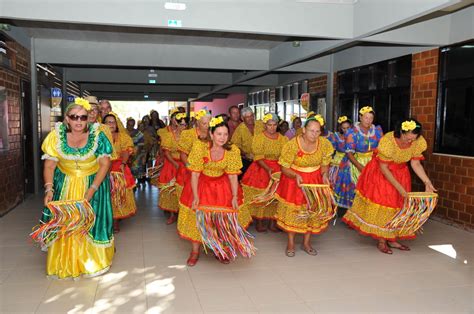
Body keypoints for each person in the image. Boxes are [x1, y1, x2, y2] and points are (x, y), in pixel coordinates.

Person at [40, 97, 114, 279]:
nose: (78, 121)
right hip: (64, 186)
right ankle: (64, 262)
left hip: (92, 185)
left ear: (88, 118)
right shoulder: (55, 137)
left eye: (82, 117)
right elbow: (49, 166)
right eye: (74, 117)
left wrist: (92, 190)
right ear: (67, 119)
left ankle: (89, 262)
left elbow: (104, 165)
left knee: (89, 223)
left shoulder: (98, 136)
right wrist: (49, 188)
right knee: (66, 223)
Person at [343, 119, 436, 254]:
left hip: (400, 173)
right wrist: (400, 189)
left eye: (413, 139)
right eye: (407, 138)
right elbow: (384, 168)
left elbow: (415, 164)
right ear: (401, 132)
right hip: (381, 173)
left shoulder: (417, 143)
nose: (409, 142)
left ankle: (391, 238)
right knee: (385, 203)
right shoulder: (388, 141)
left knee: (397, 205)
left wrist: (427, 182)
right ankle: (382, 241)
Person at [177, 116, 254, 266]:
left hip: (222, 186)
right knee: (197, 218)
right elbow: (195, 174)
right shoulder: (200, 147)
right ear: (211, 134)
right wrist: (196, 196)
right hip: (201, 184)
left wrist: (233, 196)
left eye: (225, 134)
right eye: (219, 134)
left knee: (221, 219)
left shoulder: (232, 150)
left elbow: (232, 176)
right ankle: (195, 251)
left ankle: (220, 248)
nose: (222, 138)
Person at [275, 115, 334, 257]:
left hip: (314, 180)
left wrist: (325, 175)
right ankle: (290, 243)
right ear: (303, 130)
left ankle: (307, 242)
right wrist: (295, 175)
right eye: (311, 131)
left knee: (312, 211)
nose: (314, 134)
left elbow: (325, 163)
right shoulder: (292, 145)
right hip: (295, 180)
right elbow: (284, 167)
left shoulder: (324, 144)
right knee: (294, 213)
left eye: (317, 131)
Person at [241, 113, 288, 232]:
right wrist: (267, 169)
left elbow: (285, 155)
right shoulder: (259, 137)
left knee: (276, 196)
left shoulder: (283, 139)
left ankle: (273, 222)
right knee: (261, 196)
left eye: (274, 125)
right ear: (265, 125)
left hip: (277, 168)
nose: (272, 127)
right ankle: (259, 222)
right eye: (269, 125)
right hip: (261, 168)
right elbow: (258, 156)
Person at [334, 106, 383, 209]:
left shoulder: (377, 131)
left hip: (373, 162)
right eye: (366, 118)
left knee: (373, 188)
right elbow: (349, 153)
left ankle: (368, 211)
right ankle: (355, 212)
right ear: (360, 117)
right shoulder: (352, 132)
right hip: (355, 162)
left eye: (371, 118)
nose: (368, 121)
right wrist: (359, 166)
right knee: (356, 188)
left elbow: (381, 148)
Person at [103, 113, 137, 232]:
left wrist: (123, 163)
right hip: (101, 167)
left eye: (113, 122)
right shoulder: (98, 136)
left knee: (117, 195)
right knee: (104, 195)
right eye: (108, 122)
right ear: (104, 124)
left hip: (118, 168)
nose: (111, 124)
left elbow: (126, 151)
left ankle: (115, 221)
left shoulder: (123, 136)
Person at [157, 110, 187, 224]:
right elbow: (167, 152)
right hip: (172, 164)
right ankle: (172, 214)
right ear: (176, 124)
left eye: (185, 124)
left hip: (185, 164)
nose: (183, 127)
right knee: (171, 189)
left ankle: (182, 212)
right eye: (181, 124)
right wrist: (175, 164)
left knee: (184, 189)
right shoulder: (169, 136)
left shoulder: (189, 136)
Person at [176, 110, 211, 201]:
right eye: (204, 123)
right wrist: (189, 167)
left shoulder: (213, 133)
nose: (207, 126)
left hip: (208, 170)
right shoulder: (188, 134)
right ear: (197, 123)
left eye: (209, 123)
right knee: (190, 197)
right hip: (190, 169)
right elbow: (183, 154)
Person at [327, 116, 353, 215]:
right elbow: (330, 150)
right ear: (340, 128)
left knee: (350, 185)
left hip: (351, 162)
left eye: (348, 128)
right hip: (338, 163)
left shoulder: (354, 136)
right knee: (335, 184)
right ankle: (334, 208)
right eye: (344, 128)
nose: (346, 130)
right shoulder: (335, 136)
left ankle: (349, 208)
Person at [231, 107, 264, 177]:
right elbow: (234, 145)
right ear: (242, 118)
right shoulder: (240, 129)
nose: (250, 118)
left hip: (262, 159)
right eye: (247, 117)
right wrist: (245, 154)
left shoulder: (261, 124)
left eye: (251, 116)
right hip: (247, 161)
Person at [127, 117, 146, 185]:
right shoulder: (123, 132)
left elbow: (141, 145)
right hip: (126, 152)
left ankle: (134, 182)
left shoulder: (138, 133)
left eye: (132, 125)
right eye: (128, 124)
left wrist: (134, 155)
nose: (130, 126)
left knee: (135, 167)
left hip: (136, 152)